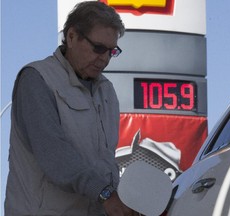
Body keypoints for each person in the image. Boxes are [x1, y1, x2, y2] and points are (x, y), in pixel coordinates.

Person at [5, 1, 136, 215]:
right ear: (72, 36)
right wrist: (104, 194)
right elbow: (54, 153)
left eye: (111, 51)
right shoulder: (37, 78)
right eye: (98, 48)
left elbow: (106, 164)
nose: (104, 58)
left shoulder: (107, 92)